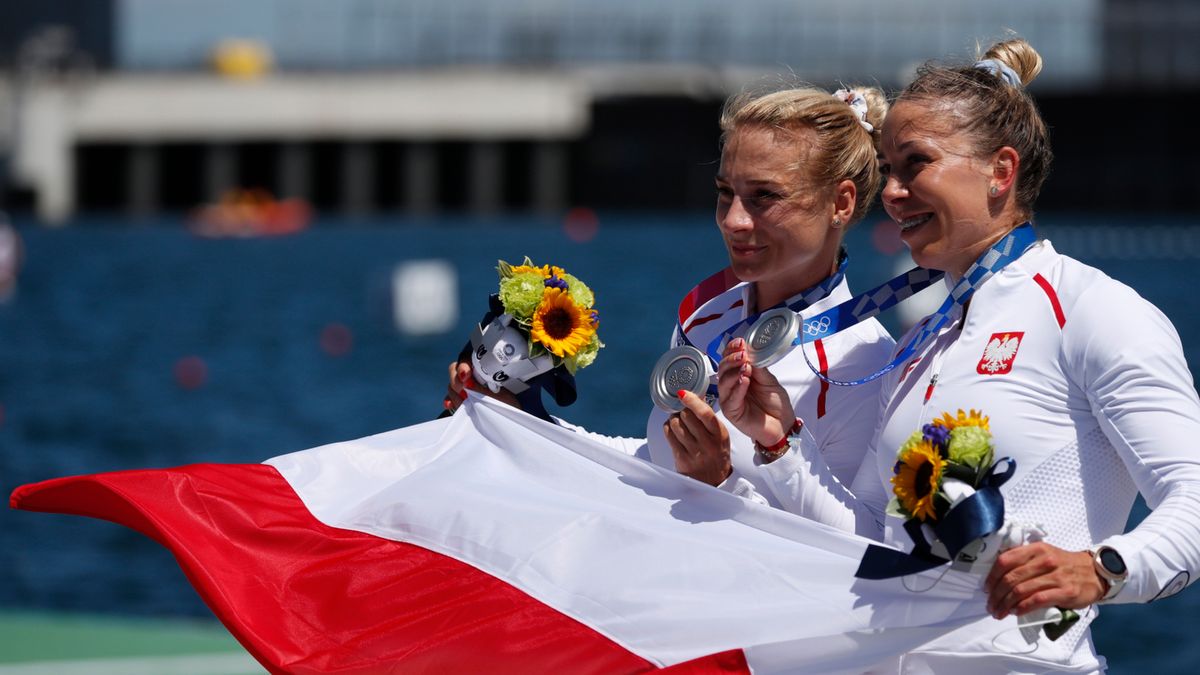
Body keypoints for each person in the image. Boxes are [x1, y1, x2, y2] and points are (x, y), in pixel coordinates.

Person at [718, 37, 1200, 672]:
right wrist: (781, 446)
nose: (890, 192)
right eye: (887, 169)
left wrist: (1104, 569)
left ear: (1001, 171)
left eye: (914, 164)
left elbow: (1192, 499)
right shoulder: (921, 342)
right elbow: (871, 542)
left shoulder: (1089, 310)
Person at [447, 84, 897, 508]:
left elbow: (843, 557)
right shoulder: (710, 314)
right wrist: (524, 422)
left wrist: (720, 484)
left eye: (764, 197)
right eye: (725, 193)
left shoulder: (862, 363)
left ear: (840, 203)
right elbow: (653, 462)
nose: (733, 220)